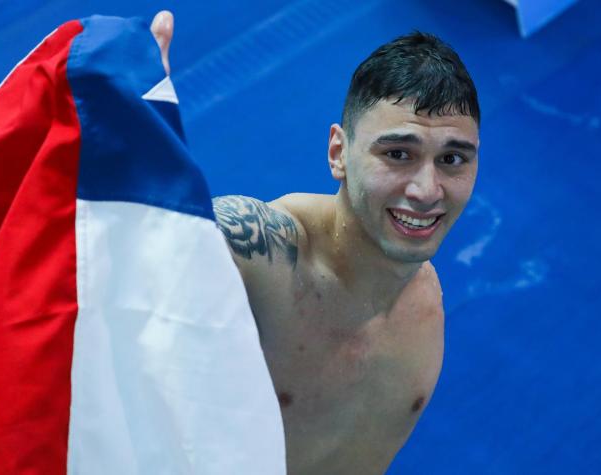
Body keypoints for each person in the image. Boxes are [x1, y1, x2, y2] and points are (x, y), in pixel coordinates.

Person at [151, 8, 480, 474]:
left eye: (452, 159)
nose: (427, 190)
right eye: (398, 154)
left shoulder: (425, 305)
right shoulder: (270, 254)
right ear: (338, 154)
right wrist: (133, 153)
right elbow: (161, 238)